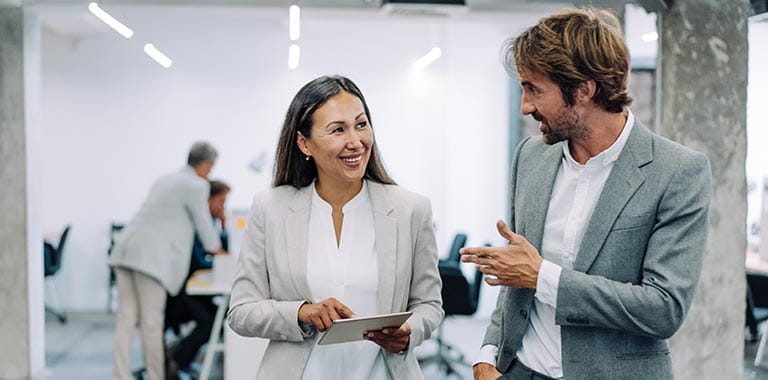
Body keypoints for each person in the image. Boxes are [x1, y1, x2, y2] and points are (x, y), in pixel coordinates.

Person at [461, 8, 712, 380]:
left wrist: (542, 275)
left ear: (583, 90)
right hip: (520, 370)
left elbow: (664, 308)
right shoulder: (530, 156)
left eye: (534, 89)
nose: (525, 106)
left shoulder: (677, 172)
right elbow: (518, 275)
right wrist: (488, 353)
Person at [227, 75, 443, 379]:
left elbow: (429, 305)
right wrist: (301, 313)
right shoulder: (270, 209)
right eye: (338, 130)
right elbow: (241, 311)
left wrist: (411, 331)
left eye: (361, 124)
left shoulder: (411, 210)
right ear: (304, 143)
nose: (355, 141)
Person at [110, 142, 227, 380]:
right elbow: (203, 222)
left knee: (126, 320)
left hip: (125, 249)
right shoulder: (196, 185)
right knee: (152, 322)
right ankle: (156, 376)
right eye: (211, 167)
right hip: (150, 258)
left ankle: (120, 375)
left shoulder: (166, 179)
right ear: (205, 164)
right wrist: (218, 251)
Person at [165, 180, 231, 376]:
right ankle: (175, 360)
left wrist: (223, 226)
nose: (223, 207)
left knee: (222, 314)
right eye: (221, 201)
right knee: (211, 320)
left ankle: (178, 356)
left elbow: (220, 252)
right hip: (179, 294)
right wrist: (221, 262)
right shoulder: (194, 226)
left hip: (190, 292)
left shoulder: (209, 225)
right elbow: (199, 262)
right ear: (207, 200)